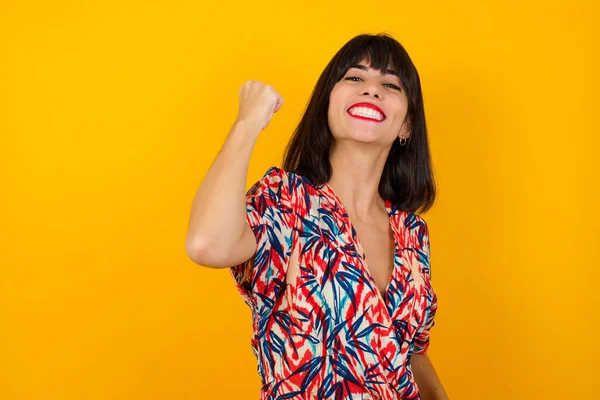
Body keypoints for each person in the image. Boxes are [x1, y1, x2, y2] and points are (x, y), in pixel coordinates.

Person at [186, 33, 448, 400]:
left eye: (391, 84)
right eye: (354, 78)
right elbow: (206, 244)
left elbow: (413, 351)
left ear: (406, 125)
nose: (372, 90)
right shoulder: (285, 200)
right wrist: (247, 122)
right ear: (328, 103)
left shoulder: (412, 232)